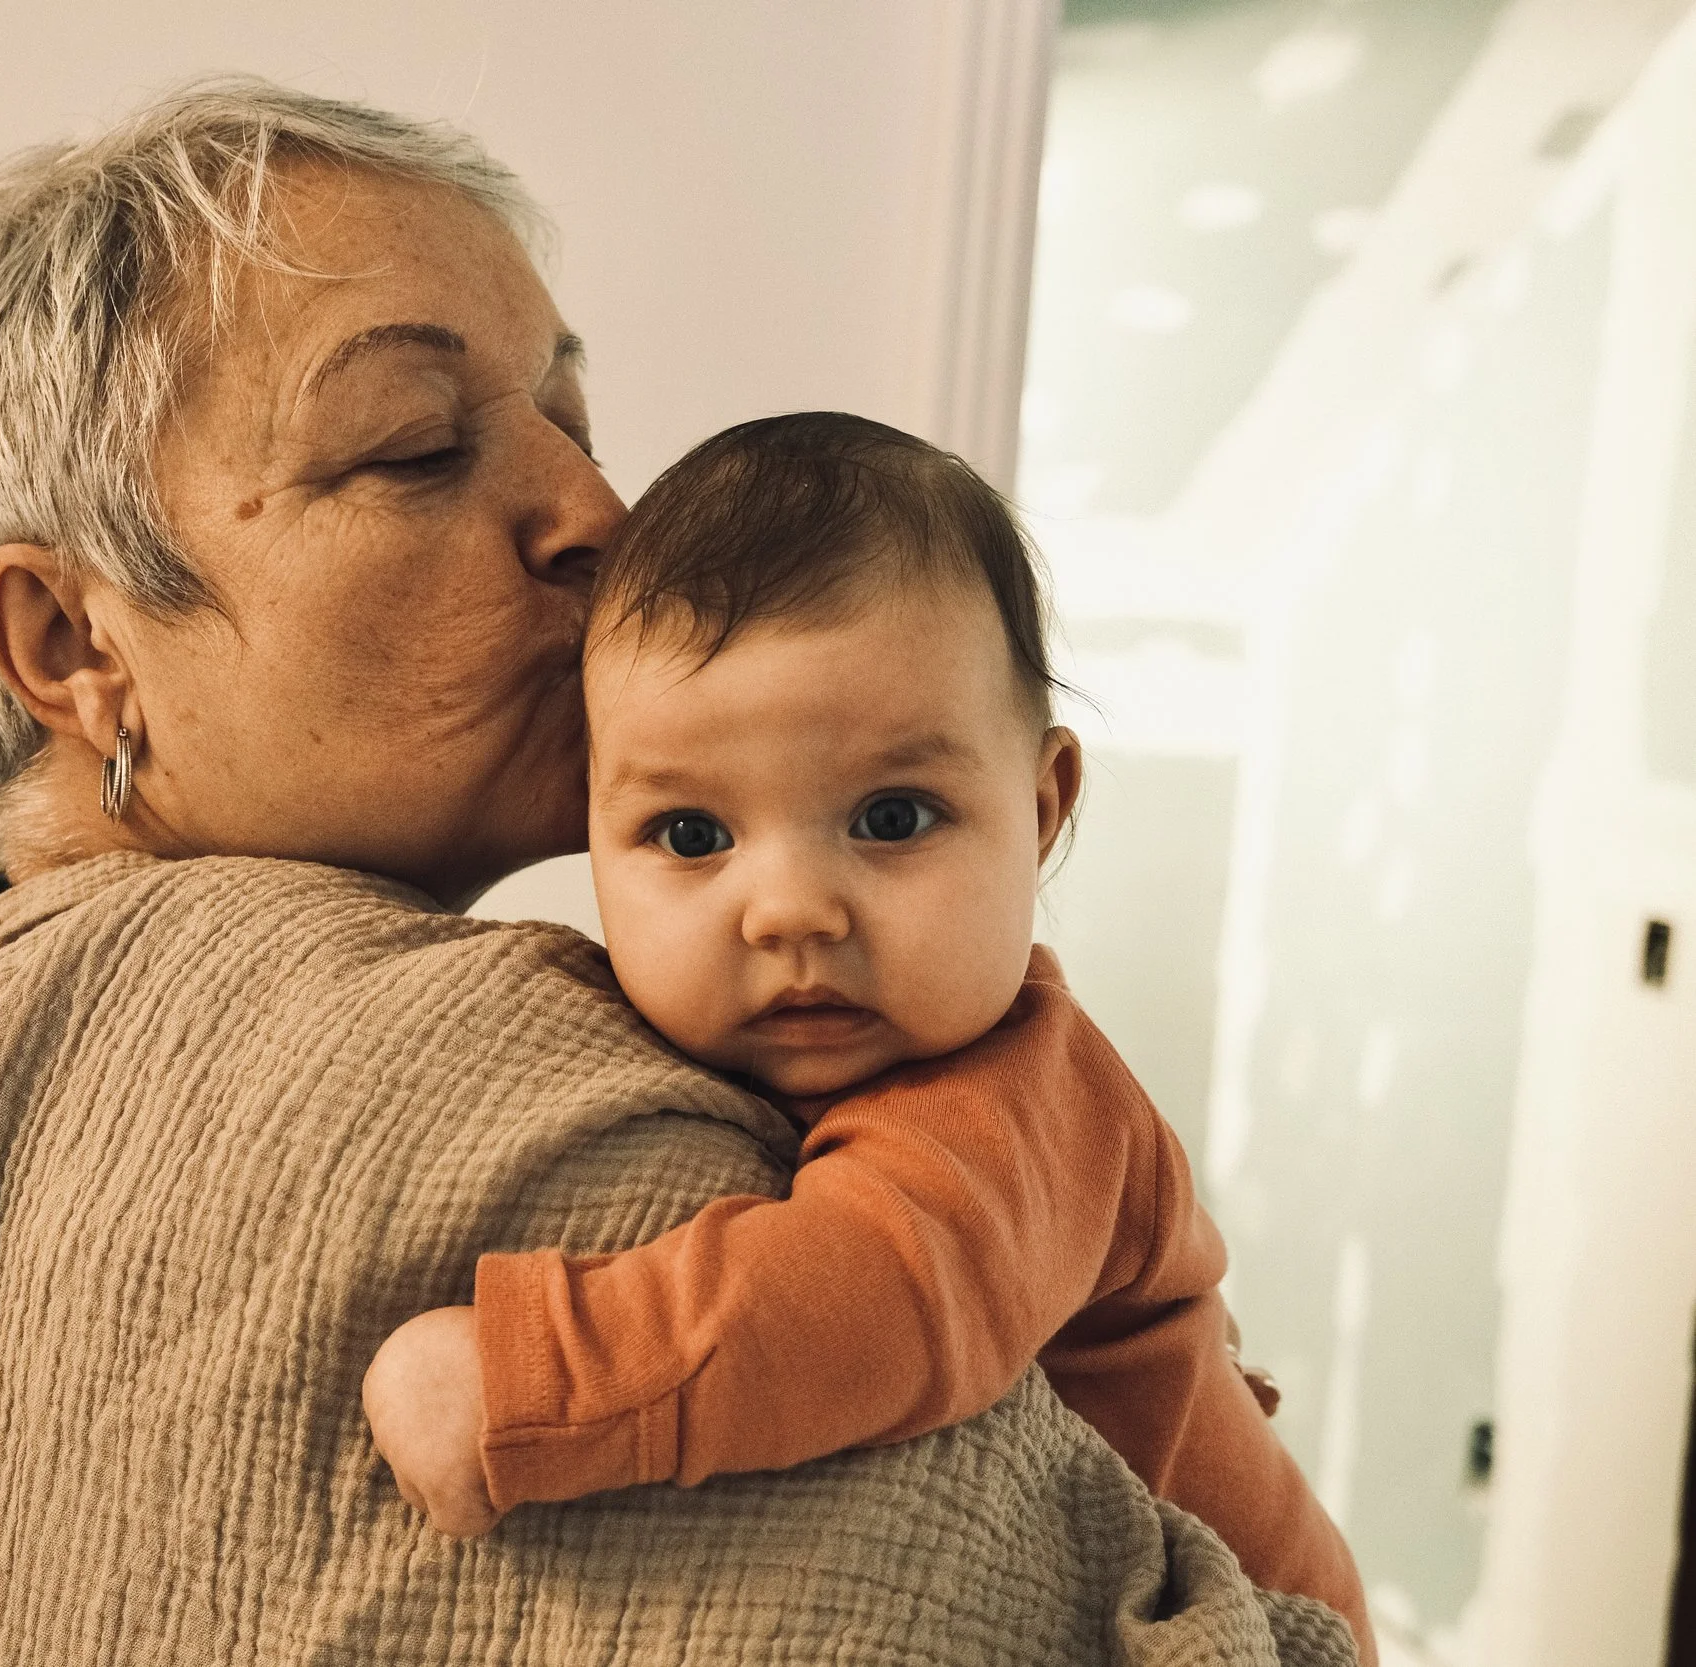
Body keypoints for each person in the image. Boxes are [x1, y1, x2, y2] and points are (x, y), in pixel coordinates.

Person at [0, 80, 1357, 1667]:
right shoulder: (455, 1085)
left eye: (567, 419)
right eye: (411, 445)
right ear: (74, 640)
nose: (598, 510)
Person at [359, 412, 1376, 1664]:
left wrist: (534, 1374)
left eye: (893, 816)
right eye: (689, 835)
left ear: (1042, 806)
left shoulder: (1026, 1096)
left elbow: (875, 1292)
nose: (789, 909)